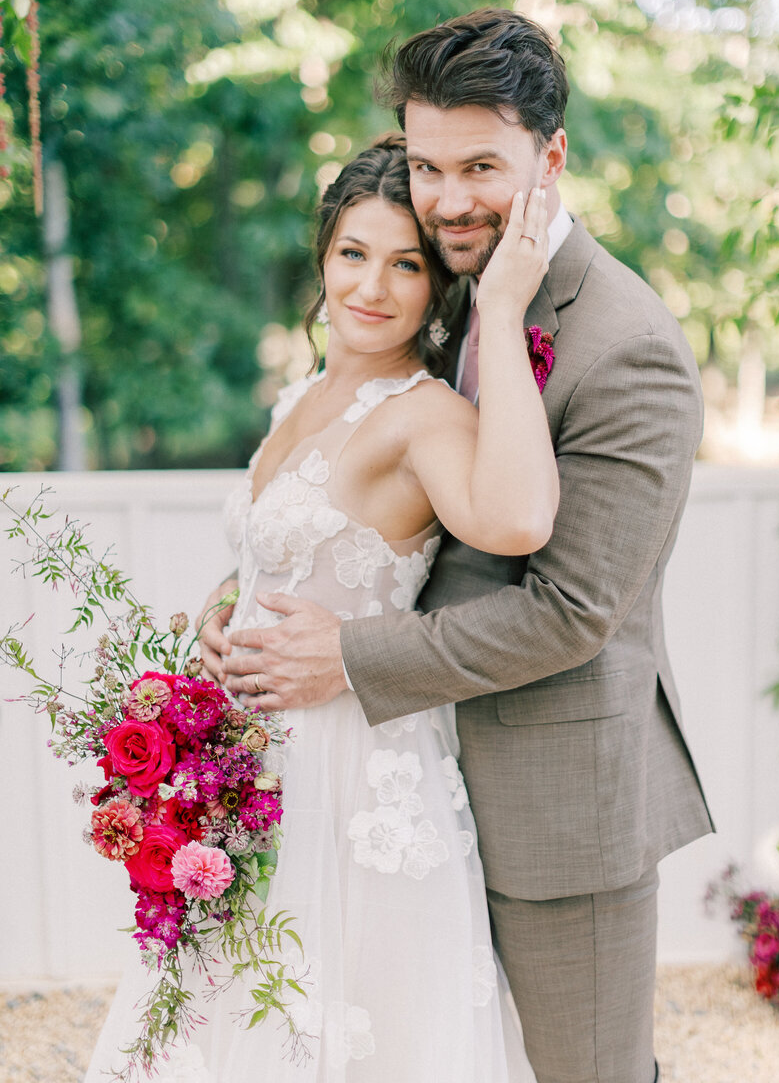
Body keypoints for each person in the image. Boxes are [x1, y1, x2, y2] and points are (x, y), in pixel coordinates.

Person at [202, 11, 715, 1083]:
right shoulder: (434, 282)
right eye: (428, 165)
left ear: (550, 154)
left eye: (481, 165)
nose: (445, 199)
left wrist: (343, 657)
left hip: (549, 802)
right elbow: (361, 493)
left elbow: (573, 610)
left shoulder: (627, 348)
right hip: (392, 792)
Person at [84, 135, 558, 1083]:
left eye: (406, 264)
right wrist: (221, 611)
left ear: (438, 286)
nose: (372, 287)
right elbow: (270, 551)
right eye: (354, 254)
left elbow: (515, 520)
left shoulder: (424, 415)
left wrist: (502, 308)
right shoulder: (300, 396)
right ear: (323, 256)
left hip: (353, 773)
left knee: (342, 1029)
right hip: (254, 768)